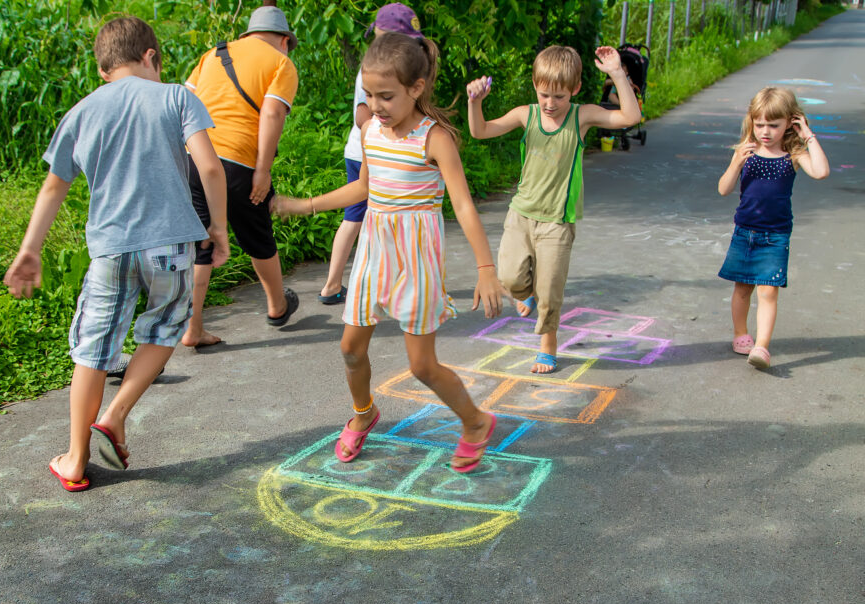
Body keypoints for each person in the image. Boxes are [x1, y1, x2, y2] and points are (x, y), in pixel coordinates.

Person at [3, 17, 229, 491]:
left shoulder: (83, 111)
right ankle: (115, 414)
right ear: (151, 56)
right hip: (170, 246)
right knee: (167, 327)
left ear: (104, 69)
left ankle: (76, 459)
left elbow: (53, 186)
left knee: (93, 351)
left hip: (109, 250)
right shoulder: (175, 96)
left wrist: (30, 250)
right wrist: (218, 227)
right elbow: (209, 166)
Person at [273, 32, 503, 473]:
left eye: (386, 96)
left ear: (416, 88)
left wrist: (486, 268)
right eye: (369, 94)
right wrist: (306, 205)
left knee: (422, 366)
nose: (376, 105)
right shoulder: (369, 130)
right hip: (375, 252)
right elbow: (365, 186)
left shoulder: (434, 139)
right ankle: (364, 413)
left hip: (416, 257)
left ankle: (475, 423)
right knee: (350, 350)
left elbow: (464, 206)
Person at [466, 45, 641, 374]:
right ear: (535, 85)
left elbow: (631, 117)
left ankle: (547, 345)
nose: (550, 103)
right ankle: (526, 294)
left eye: (559, 97)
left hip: (557, 223)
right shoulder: (526, 114)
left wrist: (618, 73)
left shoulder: (582, 115)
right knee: (510, 276)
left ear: (574, 90)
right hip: (521, 215)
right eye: (544, 94)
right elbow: (480, 131)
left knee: (550, 290)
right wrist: (474, 103)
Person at [184, 2, 301, 345]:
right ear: (284, 40)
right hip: (239, 163)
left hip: (194, 156)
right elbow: (272, 115)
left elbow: (183, 101)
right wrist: (262, 170)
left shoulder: (212, 55)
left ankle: (192, 328)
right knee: (257, 232)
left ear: (248, 33)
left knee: (202, 240)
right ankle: (277, 306)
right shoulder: (281, 62)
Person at [318, 2, 424, 306]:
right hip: (369, 153)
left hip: (371, 151)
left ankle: (342, 284)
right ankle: (335, 284)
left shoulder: (390, 69)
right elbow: (361, 114)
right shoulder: (376, 71)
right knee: (364, 216)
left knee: (366, 216)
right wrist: (382, 139)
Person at [717, 87, 829, 370]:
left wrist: (808, 136)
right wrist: (735, 163)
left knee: (769, 292)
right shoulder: (747, 151)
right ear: (752, 121)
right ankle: (740, 334)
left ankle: (762, 347)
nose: (765, 131)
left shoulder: (793, 153)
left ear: (790, 122)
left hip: (776, 235)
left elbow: (821, 171)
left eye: (774, 125)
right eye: (760, 124)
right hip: (745, 232)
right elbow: (723, 189)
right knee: (742, 288)